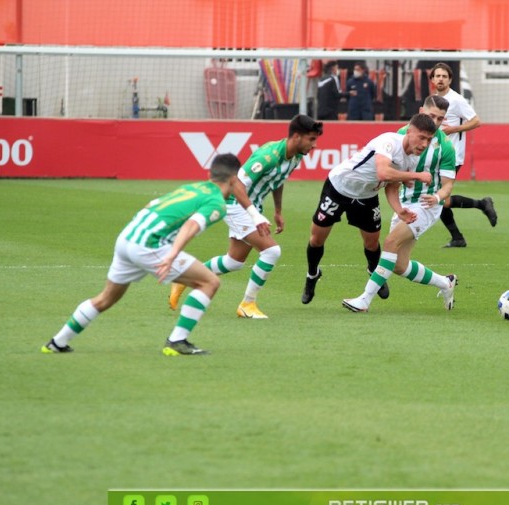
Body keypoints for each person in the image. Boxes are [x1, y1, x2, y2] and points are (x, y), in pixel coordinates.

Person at [41, 154, 242, 356]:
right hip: (150, 245)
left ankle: (57, 342)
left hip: (127, 237)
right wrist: (172, 255)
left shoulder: (192, 187)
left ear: (210, 174)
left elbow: (152, 203)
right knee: (209, 282)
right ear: (234, 179)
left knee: (106, 298)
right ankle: (177, 341)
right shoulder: (216, 202)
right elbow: (191, 225)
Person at [169, 115, 323, 319]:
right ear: (296, 136)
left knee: (234, 262)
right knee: (271, 252)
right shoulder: (268, 156)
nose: (314, 145)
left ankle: (185, 277)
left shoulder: (296, 155)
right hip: (235, 203)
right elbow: (236, 184)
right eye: (311, 139)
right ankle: (247, 304)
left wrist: (278, 211)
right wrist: (255, 215)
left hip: (251, 206)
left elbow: (278, 180)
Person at [302, 113, 437, 305]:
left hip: (367, 196)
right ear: (409, 132)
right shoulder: (389, 142)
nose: (424, 144)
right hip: (339, 187)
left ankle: (374, 273)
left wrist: (398, 210)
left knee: (372, 243)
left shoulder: (413, 158)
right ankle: (312, 275)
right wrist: (415, 176)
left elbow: (391, 185)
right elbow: (383, 172)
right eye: (421, 137)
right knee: (316, 239)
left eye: (429, 140)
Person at [342, 95, 458, 313]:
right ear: (421, 111)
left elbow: (447, 185)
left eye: (440, 119)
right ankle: (445, 283)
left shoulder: (446, 148)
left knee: (390, 243)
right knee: (399, 265)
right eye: (431, 116)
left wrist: (437, 198)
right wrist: (397, 207)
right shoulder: (402, 135)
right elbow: (391, 178)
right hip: (405, 204)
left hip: (426, 206)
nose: (435, 122)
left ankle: (364, 300)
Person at [430, 62, 498, 248]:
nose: (441, 79)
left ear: (450, 79)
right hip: (436, 155)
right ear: (433, 79)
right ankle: (459, 236)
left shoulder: (457, 100)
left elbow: (476, 121)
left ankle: (480, 207)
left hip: (452, 157)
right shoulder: (432, 100)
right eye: (438, 76)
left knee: (438, 198)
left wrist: (455, 129)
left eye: (444, 76)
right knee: (437, 199)